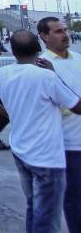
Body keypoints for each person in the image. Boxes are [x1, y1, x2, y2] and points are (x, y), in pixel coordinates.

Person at [0, 29, 81, 233]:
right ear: (38, 48)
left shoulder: (4, 73)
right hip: (47, 156)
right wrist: (54, 74)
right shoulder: (46, 77)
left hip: (21, 151)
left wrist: (8, 113)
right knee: (48, 216)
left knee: (34, 206)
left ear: (14, 52)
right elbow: (77, 106)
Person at [38, 17, 81, 232]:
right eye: (57, 31)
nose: (65, 35)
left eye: (65, 30)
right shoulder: (42, 66)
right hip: (67, 144)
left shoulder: (79, 60)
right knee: (74, 199)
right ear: (44, 36)